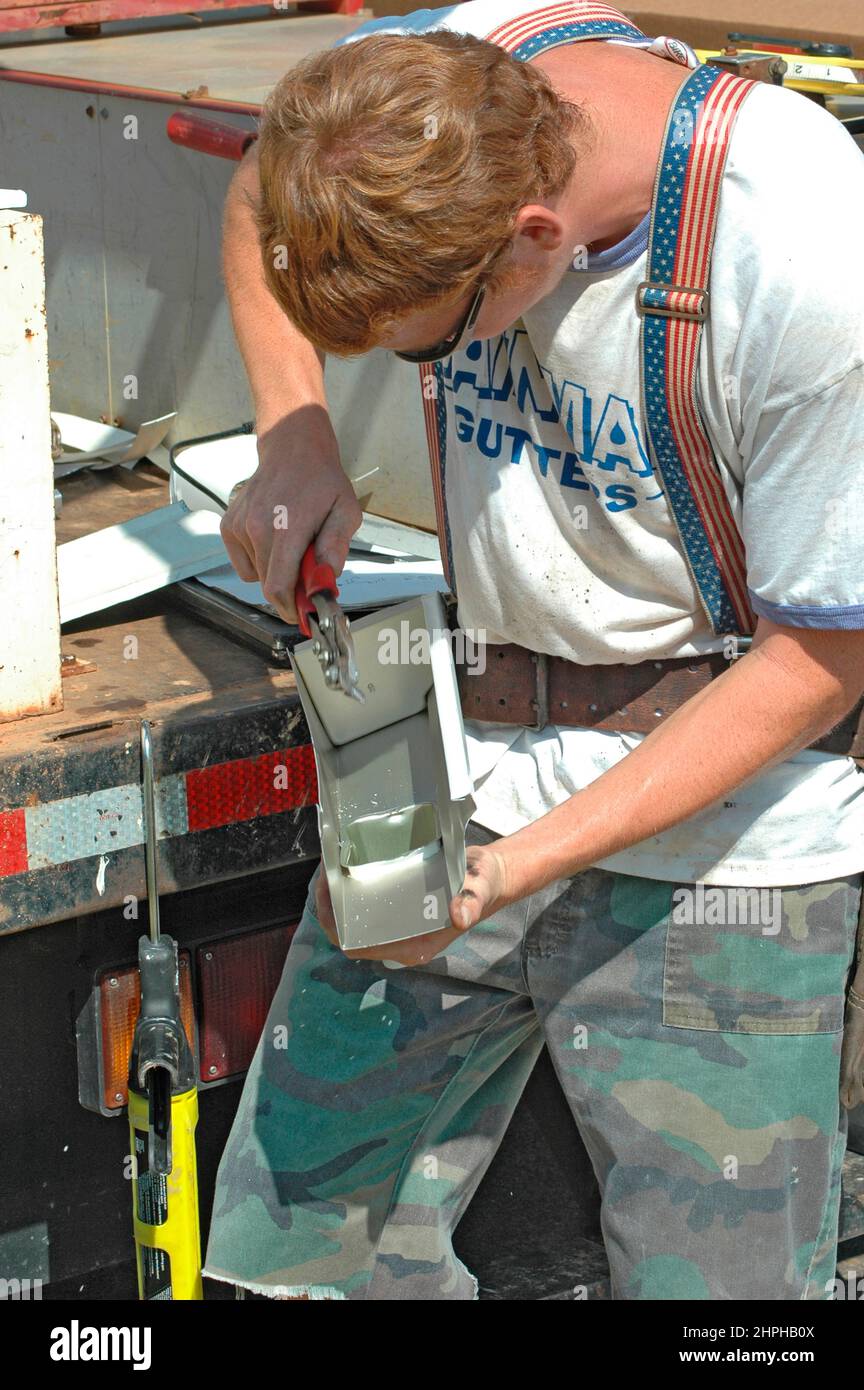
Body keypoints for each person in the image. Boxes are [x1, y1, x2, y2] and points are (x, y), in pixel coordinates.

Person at [203, 0, 864, 1300]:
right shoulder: (441, 79)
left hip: (724, 851)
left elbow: (824, 660)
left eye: (437, 341)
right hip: (462, 792)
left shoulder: (806, 252)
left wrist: (516, 868)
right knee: (283, 1269)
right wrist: (294, 429)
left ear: (533, 239)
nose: (430, 367)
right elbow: (256, 186)